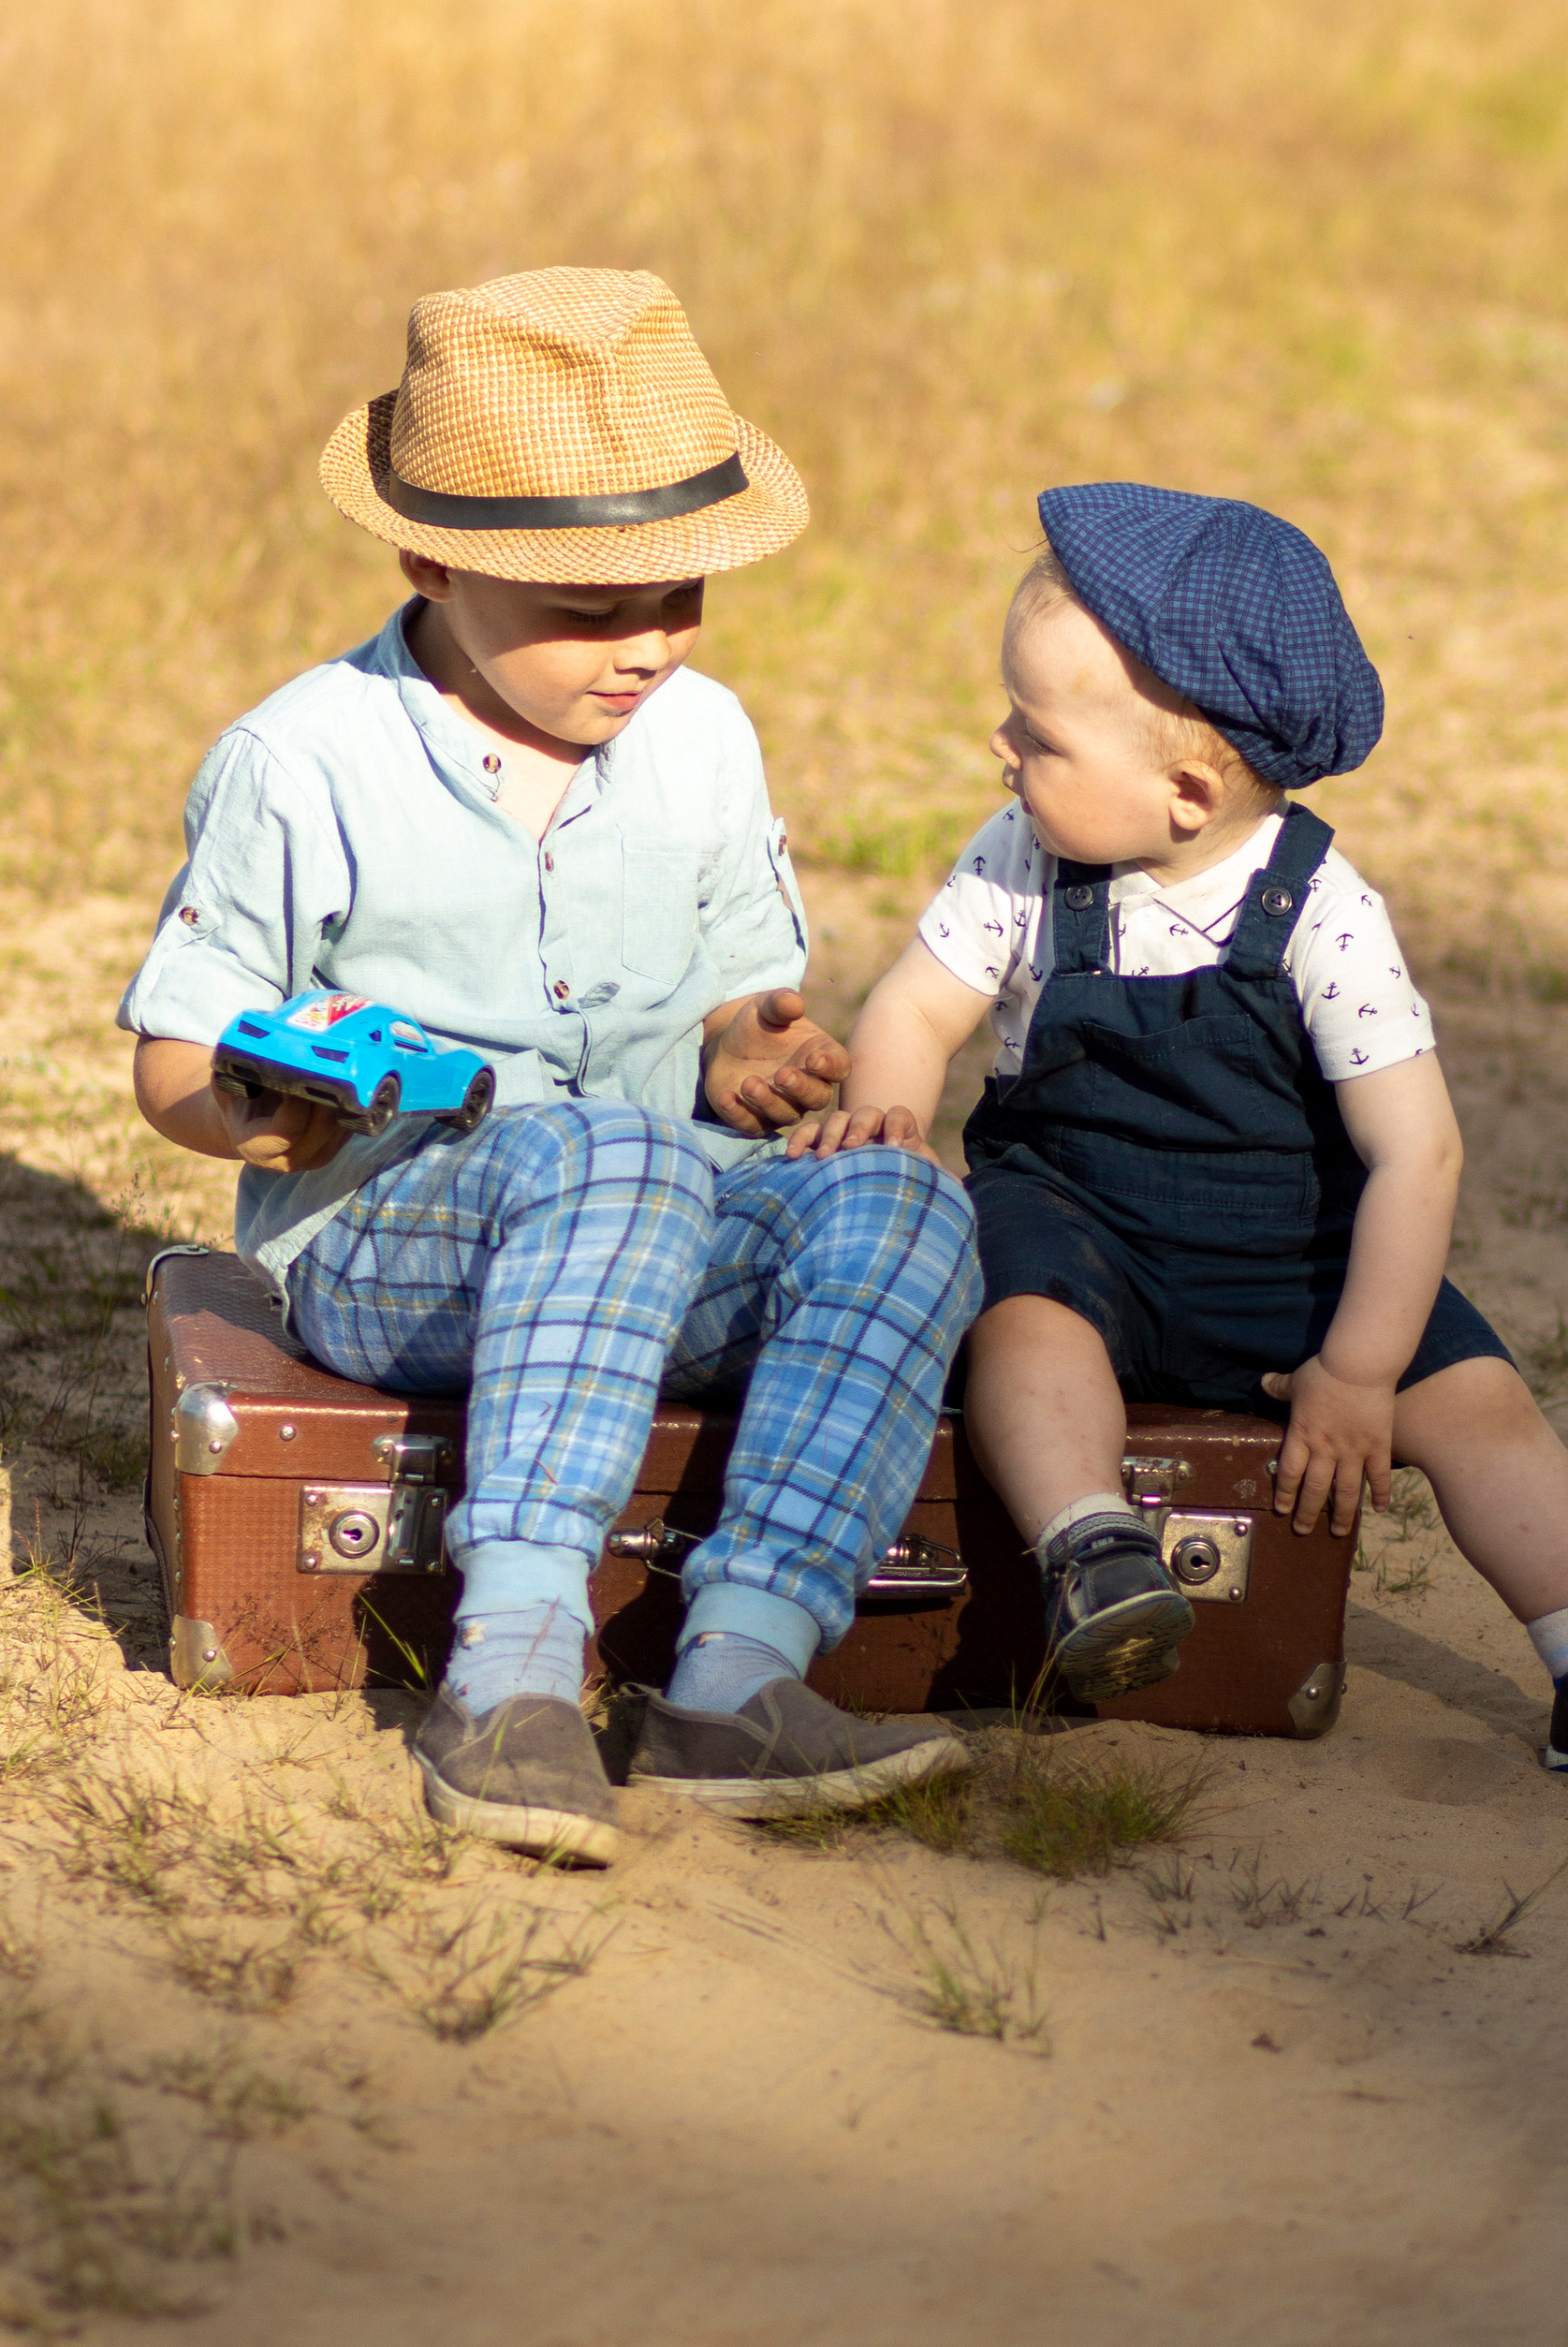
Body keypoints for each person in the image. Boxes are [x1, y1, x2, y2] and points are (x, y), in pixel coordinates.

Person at [124, 266, 982, 1862]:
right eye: (590, 609)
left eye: (682, 599)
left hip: (646, 1226)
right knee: (615, 1155)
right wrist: (267, 1115)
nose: (645, 646)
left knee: (904, 1202)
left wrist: (752, 1051)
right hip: (396, 1250)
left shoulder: (704, 737)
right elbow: (177, 1063)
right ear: (431, 561)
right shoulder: (300, 762)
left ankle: (735, 1672)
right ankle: (512, 1667)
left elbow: (739, 987)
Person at [790, 484, 1568, 1814]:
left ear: (1185, 791)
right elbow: (915, 1007)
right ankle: (1092, 1545)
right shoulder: (1022, 857)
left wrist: (1358, 1372)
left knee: (1479, 1406)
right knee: (1021, 1322)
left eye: (1037, 732)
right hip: (1078, 1220)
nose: (997, 746)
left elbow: (1418, 1157)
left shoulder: (1323, 913)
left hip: (1282, 1255)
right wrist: (893, 1120)